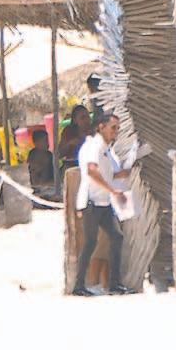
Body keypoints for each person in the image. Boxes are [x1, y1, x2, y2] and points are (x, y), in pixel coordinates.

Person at [74, 112, 133, 296]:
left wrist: (120, 175)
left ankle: (114, 283)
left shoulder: (106, 148)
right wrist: (113, 190)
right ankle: (78, 285)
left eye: (117, 128)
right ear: (101, 127)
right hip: (91, 201)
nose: (116, 131)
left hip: (103, 202)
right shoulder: (94, 146)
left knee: (116, 237)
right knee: (90, 243)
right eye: (113, 127)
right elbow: (91, 171)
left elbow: (105, 173)